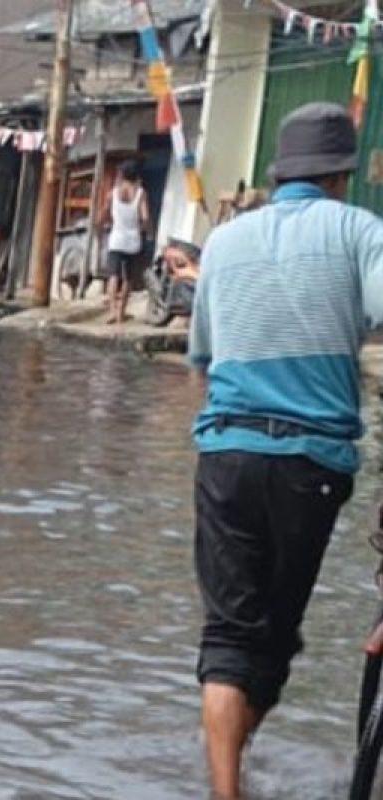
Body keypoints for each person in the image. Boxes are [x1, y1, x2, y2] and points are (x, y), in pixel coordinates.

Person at [188, 102, 383, 799]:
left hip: (227, 456)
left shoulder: (225, 243)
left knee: (230, 638)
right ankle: (230, 782)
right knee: (272, 642)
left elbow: (204, 359)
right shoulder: (362, 232)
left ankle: (224, 783)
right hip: (311, 468)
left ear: (279, 173)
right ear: (341, 176)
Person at [101, 161, 150, 324]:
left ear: (122, 175)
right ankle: (121, 313)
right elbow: (145, 218)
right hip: (133, 241)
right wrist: (145, 230)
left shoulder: (113, 193)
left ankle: (112, 311)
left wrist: (101, 223)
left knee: (113, 276)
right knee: (128, 278)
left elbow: (103, 213)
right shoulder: (140, 193)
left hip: (116, 239)